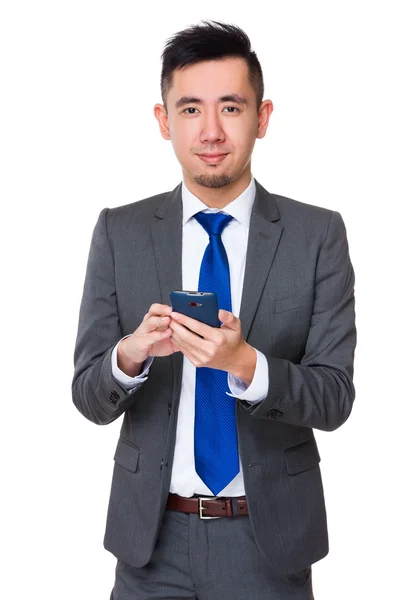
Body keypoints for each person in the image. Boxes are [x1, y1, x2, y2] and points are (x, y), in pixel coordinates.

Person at [72, 20, 356, 600]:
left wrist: (249, 366)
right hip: (150, 542)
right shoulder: (118, 232)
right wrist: (129, 357)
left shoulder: (317, 235)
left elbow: (334, 397)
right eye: (191, 109)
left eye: (230, 107)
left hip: (268, 540)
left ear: (263, 116)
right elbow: (86, 394)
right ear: (163, 121)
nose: (210, 131)